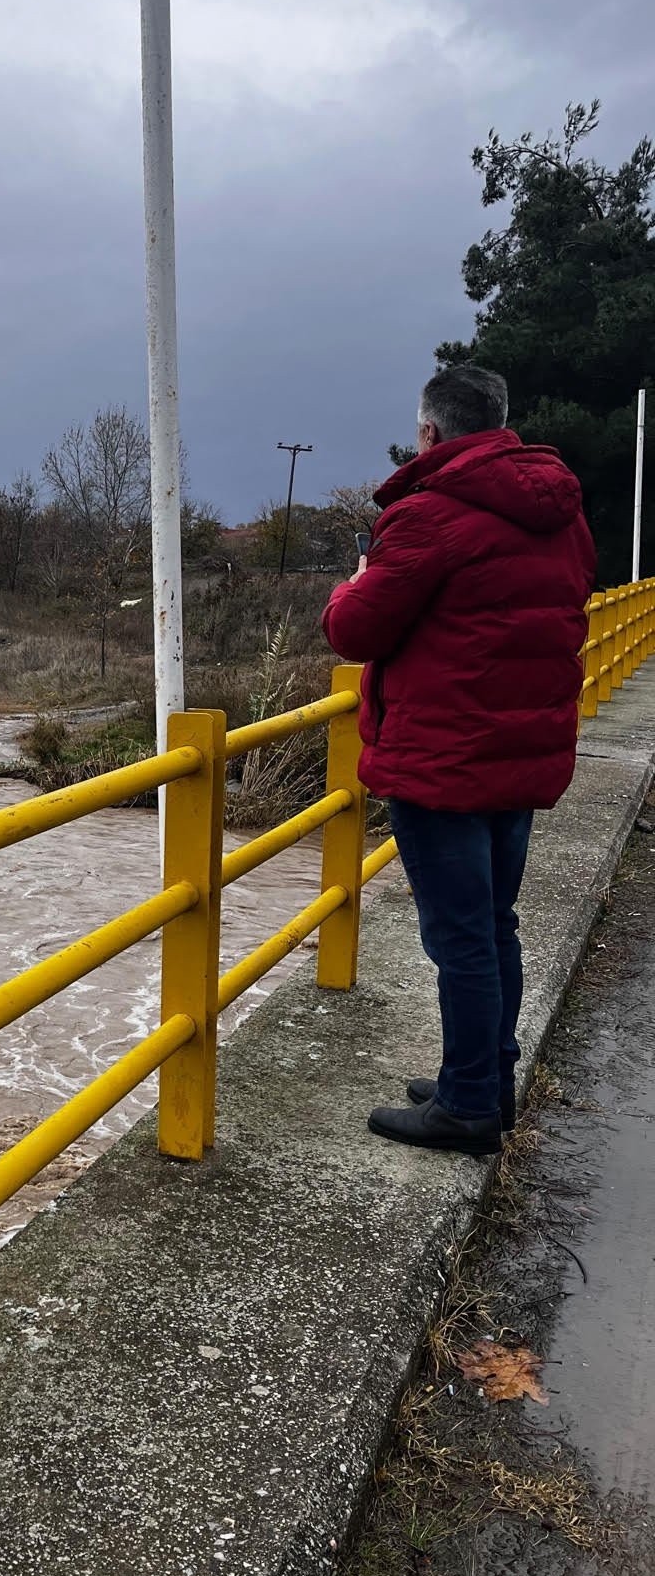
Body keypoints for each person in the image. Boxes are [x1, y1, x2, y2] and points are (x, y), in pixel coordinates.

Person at [322, 363, 597, 1156]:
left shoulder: (429, 516)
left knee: (461, 938)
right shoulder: (562, 514)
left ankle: (469, 1104)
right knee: (493, 924)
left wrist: (355, 584)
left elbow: (356, 632)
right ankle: (485, 1078)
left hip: (445, 757)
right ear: (501, 423)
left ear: (432, 433)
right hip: (522, 749)